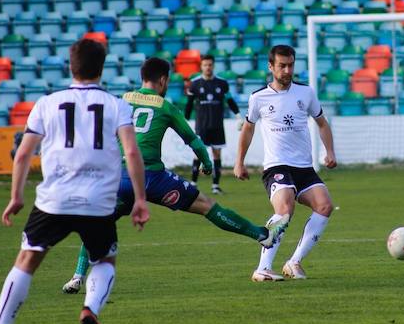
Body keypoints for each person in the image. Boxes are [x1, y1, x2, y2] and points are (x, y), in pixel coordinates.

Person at [0, 39, 151, 324]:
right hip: (98, 200)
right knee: (104, 258)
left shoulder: (47, 103)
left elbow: (23, 154)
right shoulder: (116, 105)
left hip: (54, 199)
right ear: (101, 68)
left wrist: (16, 196)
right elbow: (132, 152)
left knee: (26, 261)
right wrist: (139, 199)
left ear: (72, 67)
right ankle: (89, 311)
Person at [61, 56, 288, 293]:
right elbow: (193, 140)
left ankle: (77, 276)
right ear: (162, 80)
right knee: (207, 205)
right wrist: (207, 163)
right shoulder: (165, 106)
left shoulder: (123, 100)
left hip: (121, 177)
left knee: (98, 224)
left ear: (142, 78)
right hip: (154, 178)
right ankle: (262, 235)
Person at [234, 45, 338, 282]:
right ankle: (263, 268)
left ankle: (293, 262)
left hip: (304, 167)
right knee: (285, 210)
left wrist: (329, 151)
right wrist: (239, 162)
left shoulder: (306, 93)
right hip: (276, 166)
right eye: (282, 65)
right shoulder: (258, 97)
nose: (287, 70)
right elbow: (248, 129)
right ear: (271, 67)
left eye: (290, 64)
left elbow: (322, 123)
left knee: (325, 206)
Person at [185, 53, 240, 194]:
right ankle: (193, 183)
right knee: (198, 154)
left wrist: (238, 116)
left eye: (210, 65)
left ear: (213, 66)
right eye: (205, 65)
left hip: (217, 125)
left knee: (217, 154)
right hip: (201, 126)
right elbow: (189, 104)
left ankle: (215, 186)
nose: (208, 67)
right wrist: (184, 121)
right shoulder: (195, 83)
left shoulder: (222, 83)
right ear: (201, 66)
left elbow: (230, 101)